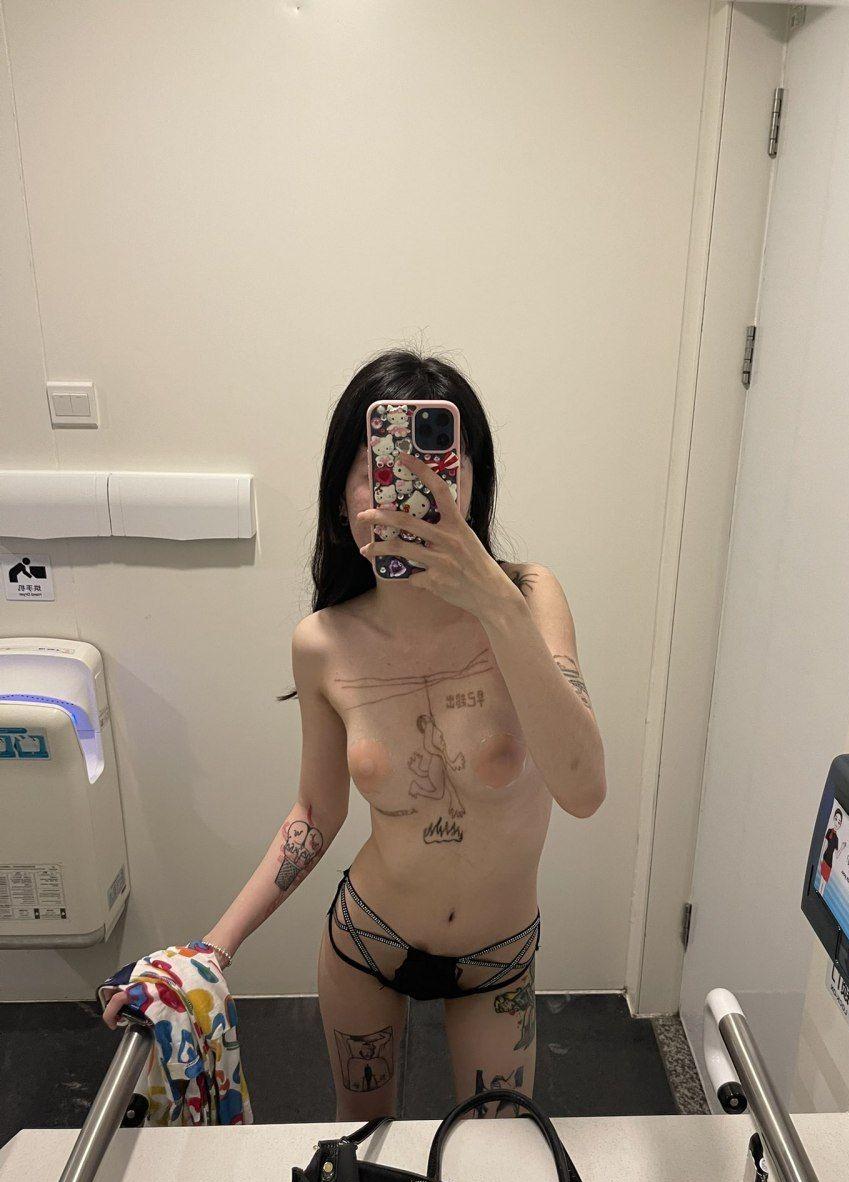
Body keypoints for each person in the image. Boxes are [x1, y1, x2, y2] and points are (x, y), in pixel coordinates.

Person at [104, 349, 606, 1119]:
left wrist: (495, 605)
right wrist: (212, 948)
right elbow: (315, 812)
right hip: (368, 941)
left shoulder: (531, 597)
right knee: (360, 1149)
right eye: (381, 473)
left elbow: (584, 789)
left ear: (472, 484)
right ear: (342, 499)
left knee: (498, 1160)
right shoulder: (323, 643)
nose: (412, 493)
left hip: (499, 960)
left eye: (440, 469)